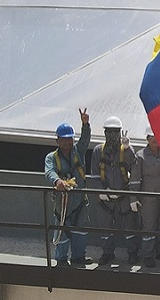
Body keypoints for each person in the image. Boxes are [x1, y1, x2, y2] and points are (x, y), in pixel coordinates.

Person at [44, 108, 92, 267]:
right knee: (61, 232)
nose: (67, 142)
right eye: (63, 139)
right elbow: (49, 171)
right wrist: (57, 181)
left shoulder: (79, 151)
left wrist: (85, 124)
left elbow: (85, 139)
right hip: (62, 202)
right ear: (57, 140)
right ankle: (62, 260)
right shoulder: (51, 158)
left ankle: (78, 257)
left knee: (80, 231)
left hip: (79, 201)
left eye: (69, 139)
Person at [91, 116, 140, 266]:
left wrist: (128, 148)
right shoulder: (98, 151)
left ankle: (132, 253)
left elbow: (135, 166)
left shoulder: (126, 150)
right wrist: (102, 191)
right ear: (105, 133)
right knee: (105, 226)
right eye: (109, 131)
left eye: (115, 131)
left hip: (124, 195)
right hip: (106, 199)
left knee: (130, 226)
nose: (113, 135)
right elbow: (95, 175)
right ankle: (107, 253)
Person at [128, 126, 160, 268]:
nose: (154, 140)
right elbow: (135, 179)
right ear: (147, 139)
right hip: (148, 198)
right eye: (151, 137)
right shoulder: (140, 156)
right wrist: (133, 198)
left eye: (156, 136)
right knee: (149, 226)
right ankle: (147, 255)